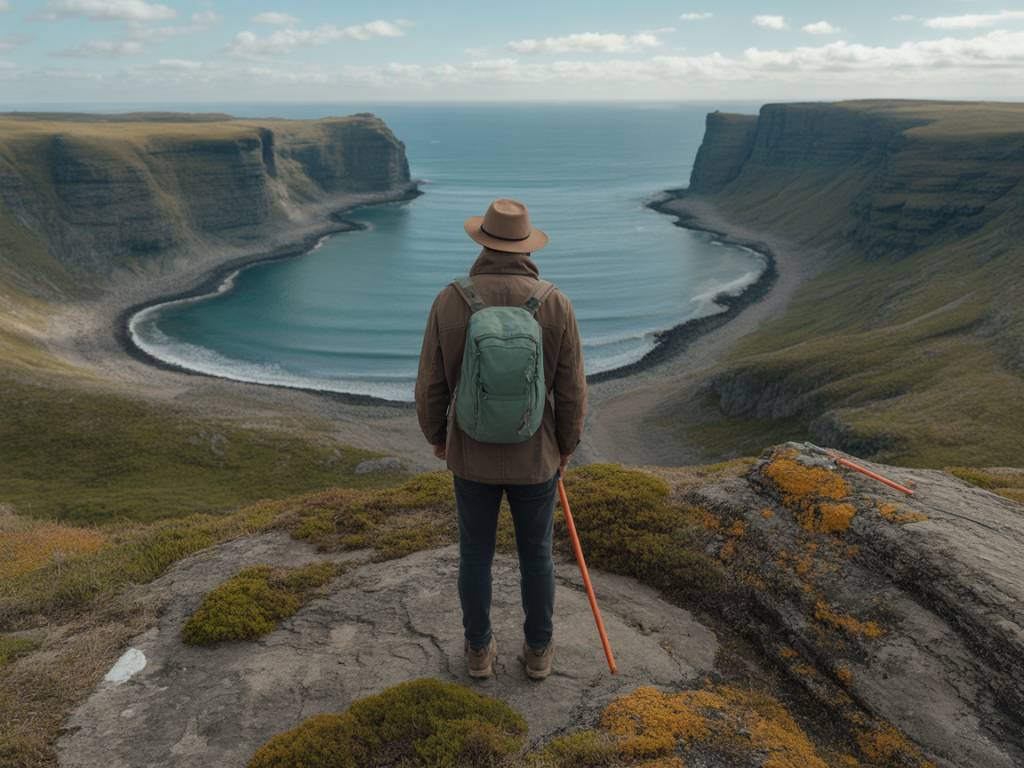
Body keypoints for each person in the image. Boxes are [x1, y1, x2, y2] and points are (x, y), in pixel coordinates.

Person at [415, 198, 587, 680]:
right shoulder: (554, 303)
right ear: (527, 246)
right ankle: (537, 653)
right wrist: (566, 445)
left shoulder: (451, 299)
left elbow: (431, 383)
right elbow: (571, 388)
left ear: (483, 241)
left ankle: (477, 652)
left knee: (475, 555)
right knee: (537, 556)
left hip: (470, 454)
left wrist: (437, 438)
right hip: (537, 457)